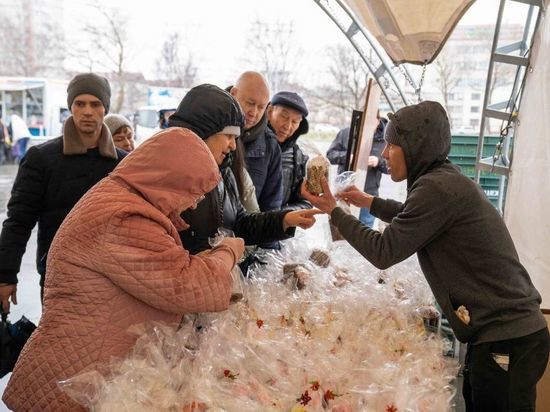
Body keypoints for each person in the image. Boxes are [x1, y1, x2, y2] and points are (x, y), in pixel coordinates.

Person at [301, 101, 549, 412]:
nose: (387, 152)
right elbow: (412, 215)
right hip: (503, 334)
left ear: (415, 147)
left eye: (393, 144)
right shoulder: (440, 180)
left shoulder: (437, 188)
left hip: (508, 337)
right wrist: (369, 202)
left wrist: (335, 212)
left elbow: (384, 251)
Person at [2, 127, 245, 412]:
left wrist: (202, 261)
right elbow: (186, 285)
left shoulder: (123, 198)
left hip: (85, 377)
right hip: (72, 387)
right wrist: (227, 251)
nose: (193, 203)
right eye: (193, 192)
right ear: (170, 178)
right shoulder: (124, 216)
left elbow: (156, 270)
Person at [0, 73, 127, 309]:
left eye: (95, 104)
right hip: (58, 280)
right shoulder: (41, 159)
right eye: (80, 104)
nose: (87, 111)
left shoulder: (125, 164)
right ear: (71, 107)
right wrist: (6, 275)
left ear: (105, 109)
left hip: (112, 280)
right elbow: (19, 220)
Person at [167, 84, 319, 257]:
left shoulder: (224, 171)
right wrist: (222, 257)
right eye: (228, 136)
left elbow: (240, 223)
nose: (233, 146)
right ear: (204, 130)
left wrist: (285, 220)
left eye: (236, 138)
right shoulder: (169, 176)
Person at [228, 71, 283, 212]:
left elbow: (271, 207)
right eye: (250, 103)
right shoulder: (210, 127)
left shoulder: (270, 145)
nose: (254, 112)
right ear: (233, 93)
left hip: (250, 229)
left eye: (261, 107)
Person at [326, 113, 389, 227]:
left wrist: (378, 162)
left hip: (369, 195)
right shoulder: (345, 133)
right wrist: (347, 157)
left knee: (365, 233)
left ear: (378, 121)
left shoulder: (384, 139)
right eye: (364, 121)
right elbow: (330, 155)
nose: (366, 126)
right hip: (343, 193)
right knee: (339, 232)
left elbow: (391, 168)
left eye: (370, 122)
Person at [267, 91, 311, 211]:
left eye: (294, 121)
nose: (288, 126)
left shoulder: (298, 158)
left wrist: (283, 216)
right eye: (284, 116)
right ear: (269, 112)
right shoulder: (249, 143)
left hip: (276, 227)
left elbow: (305, 201)